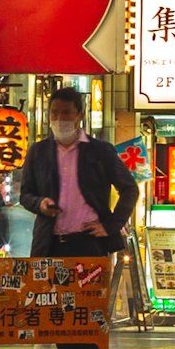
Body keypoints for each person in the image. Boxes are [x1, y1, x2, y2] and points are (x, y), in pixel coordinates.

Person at [19, 87, 134, 258]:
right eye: (54, 113)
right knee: (45, 286)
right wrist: (40, 203)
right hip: (48, 245)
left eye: (66, 113)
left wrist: (111, 225)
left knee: (91, 286)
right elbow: (25, 194)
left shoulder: (101, 151)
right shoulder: (38, 151)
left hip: (89, 244)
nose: (59, 119)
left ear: (80, 115)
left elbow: (130, 189)